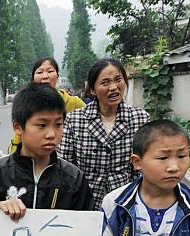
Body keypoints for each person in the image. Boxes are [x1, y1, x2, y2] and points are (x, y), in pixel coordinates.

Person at [0, 82, 93, 214]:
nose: (51, 134)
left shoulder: (73, 178)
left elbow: (86, 228)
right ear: (18, 127)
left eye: (58, 124)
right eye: (41, 125)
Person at [58, 58, 150, 209]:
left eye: (118, 80)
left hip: (125, 202)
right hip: (85, 202)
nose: (113, 87)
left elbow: (144, 166)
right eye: (105, 82)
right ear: (93, 89)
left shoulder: (140, 118)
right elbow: (65, 167)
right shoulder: (75, 119)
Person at [8, 57, 86, 153]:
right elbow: (19, 136)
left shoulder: (74, 102)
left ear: (57, 76)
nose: (45, 76)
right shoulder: (26, 104)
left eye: (50, 71)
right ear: (33, 79)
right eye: (39, 72)